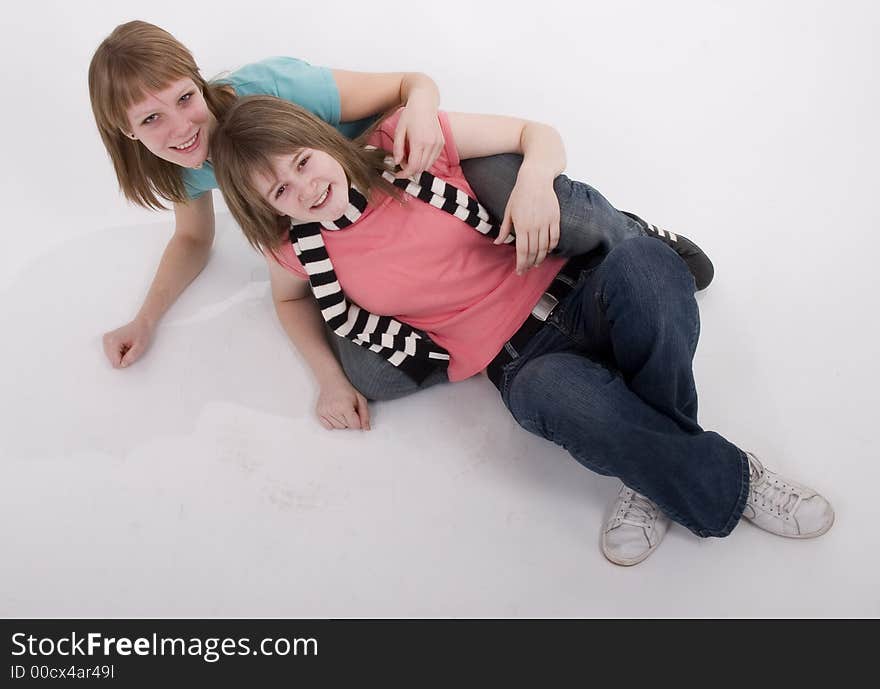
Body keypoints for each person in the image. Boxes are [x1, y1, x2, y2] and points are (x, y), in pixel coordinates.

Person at [208, 95, 834, 566]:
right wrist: (328, 381)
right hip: (520, 359)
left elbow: (537, 134)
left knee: (646, 264)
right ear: (266, 207)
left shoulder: (403, 144)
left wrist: (535, 185)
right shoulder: (295, 250)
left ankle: (654, 470)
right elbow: (290, 304)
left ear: (320, 138)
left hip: (580, 289)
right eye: (280, 190)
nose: (304, 188)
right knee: (552, 395)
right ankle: (725, 478)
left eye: (302, 161)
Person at [88, 20, 713, 401]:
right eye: (150, 119)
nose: (180, 126)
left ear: (199, 81)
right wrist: (145, 320)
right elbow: (194, 241)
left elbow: (410, 84)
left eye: (183, 98)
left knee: (551, 215)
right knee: (371, 371)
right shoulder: (176, 162)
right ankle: (486, 331)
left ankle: (627, 232)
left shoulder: (272, 88)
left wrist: (419, 117)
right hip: (348, 227)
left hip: (412, 171)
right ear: (125, 133)